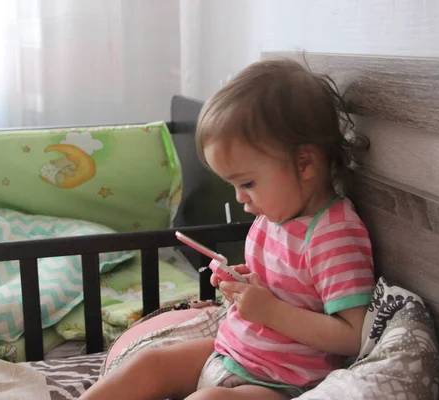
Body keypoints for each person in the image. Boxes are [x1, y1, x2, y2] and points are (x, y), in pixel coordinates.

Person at [80, 58, 375, 400]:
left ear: (304, 163)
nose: (240, 199)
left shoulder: (333, 235)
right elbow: (293, 287)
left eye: (247, 183)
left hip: (282, 382)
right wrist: (249, 284)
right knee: (149, 364)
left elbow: (353, 335)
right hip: (231, 355)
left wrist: (269, 311)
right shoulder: (276, 217)